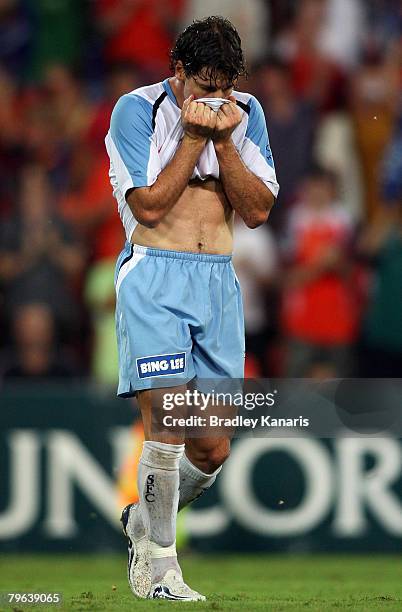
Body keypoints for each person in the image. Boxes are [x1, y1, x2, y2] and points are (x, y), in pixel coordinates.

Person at [105, 16, 279, 601]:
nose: (216, 100)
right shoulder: (136, 110)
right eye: (204, 87)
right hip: (155, 275)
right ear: (177, 72)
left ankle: (141, 522)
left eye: (225, 88)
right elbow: (150, 206)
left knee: (212, 446)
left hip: (217, 284)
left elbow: (256, 211)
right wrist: (194, 137)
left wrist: (225, 139)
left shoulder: (245, 115)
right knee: (171, 423)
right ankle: (159, 567)